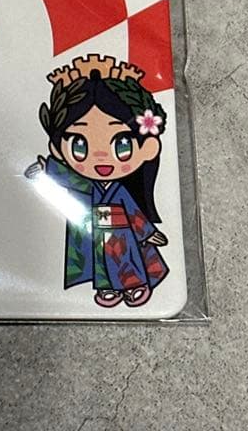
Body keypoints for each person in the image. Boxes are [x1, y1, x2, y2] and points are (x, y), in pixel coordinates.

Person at [26, 56, 169, 308]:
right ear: (58, 148)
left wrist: (148, 233)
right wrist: (46, 168)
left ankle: (134, 286)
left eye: (122, 144)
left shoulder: (119, 189)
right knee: (102, 262)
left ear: (147, 147)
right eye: (79, 144)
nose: (101, 156)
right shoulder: (85, 185)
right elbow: (68, 177)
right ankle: (108, 289)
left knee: (126, 259)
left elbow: (133, 212)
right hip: (95, 230)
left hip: (122, 232)